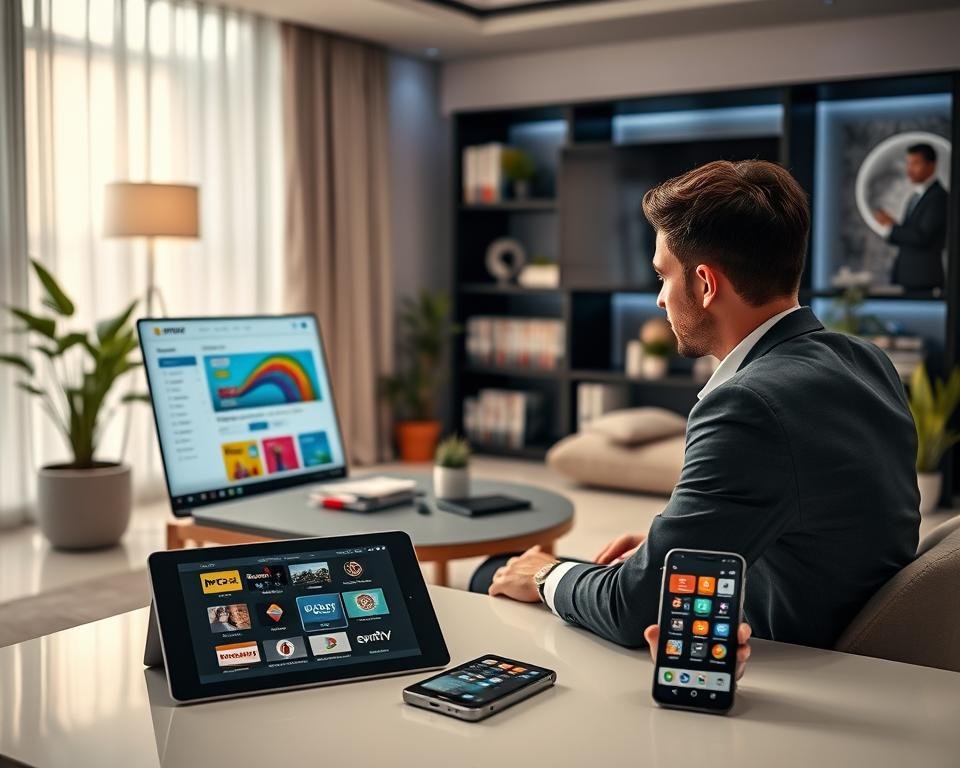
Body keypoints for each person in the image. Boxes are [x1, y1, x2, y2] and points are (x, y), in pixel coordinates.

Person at [473, 159, 919, 653]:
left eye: (663, 276)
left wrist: (547, 572)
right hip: (837, 627)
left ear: (706, 284)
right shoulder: (865, 360)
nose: (661, 300)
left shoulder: (748, 405)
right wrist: (681, 543)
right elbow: (815, 521)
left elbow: (633, 610)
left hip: (785, 658)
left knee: (497, 577)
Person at [873, 142, 948, 290]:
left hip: (924, 278)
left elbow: (922, 237)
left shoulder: (939, 197)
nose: (910, 169)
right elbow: (912, 232)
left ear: (932, 165)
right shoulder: (915, 196)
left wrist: (891, 227)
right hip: (910, 277)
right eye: (908, 164)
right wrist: (893, 225)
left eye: (915, 163)